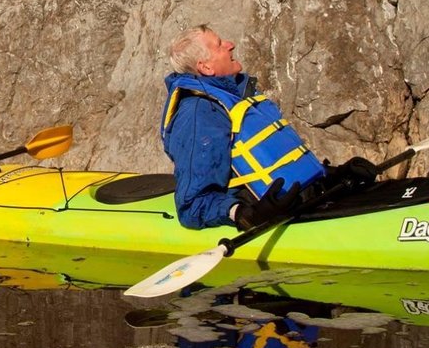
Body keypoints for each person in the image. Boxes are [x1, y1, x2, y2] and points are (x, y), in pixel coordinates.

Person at [161, 25, 375, 230]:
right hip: (273, 212)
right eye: (219, 45)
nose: (230, 44)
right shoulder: (199, 113)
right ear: (206, 67)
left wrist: (332, 175)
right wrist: (246, 215)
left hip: (309, 198)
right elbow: (193, 204)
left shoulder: (238, 95)